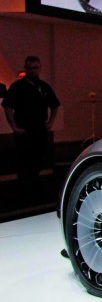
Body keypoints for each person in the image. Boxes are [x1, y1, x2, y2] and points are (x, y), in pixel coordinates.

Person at [2, 56, 61, 198]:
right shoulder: (17, 87)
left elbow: (55, 105)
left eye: (35, 68)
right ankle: (24, 190)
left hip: (40, 129)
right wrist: (14, 127)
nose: (32, 71)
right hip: (23, 130)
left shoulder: (44, 87)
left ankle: (35, 188)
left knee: (37, 160)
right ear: (25, 68)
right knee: (24, 161)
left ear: (39, 68)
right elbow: (7, 106)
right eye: (29, 68)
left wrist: (50, 123)